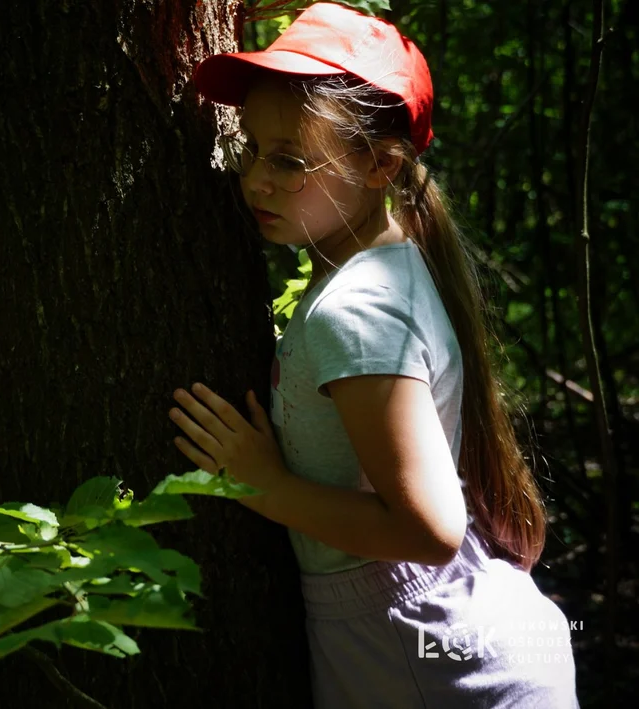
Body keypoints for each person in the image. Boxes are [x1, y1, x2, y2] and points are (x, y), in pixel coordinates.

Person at [164, 4, 579, 707]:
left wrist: (260, 483)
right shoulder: (384, 272)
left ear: (380, 165)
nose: (255, 180)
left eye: (289, 160)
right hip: (439, 642)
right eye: (252, 151)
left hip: (433, 663)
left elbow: (430, 531)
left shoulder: (356, 311)